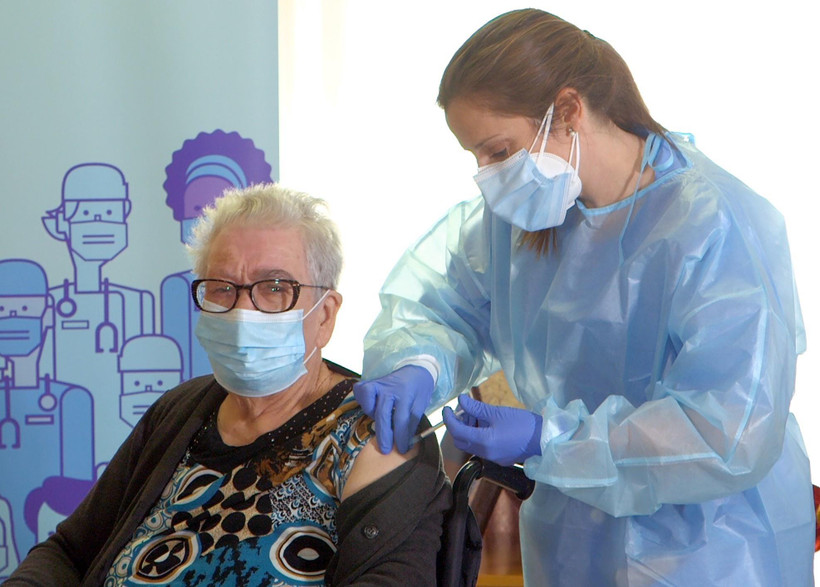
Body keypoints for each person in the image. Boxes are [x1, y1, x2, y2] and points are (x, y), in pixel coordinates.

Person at [353, 8, 815, 585]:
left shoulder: (714, 224)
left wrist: (547, 438)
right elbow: (439, 308)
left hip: (714, 548)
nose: (487, 175)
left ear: (568, 110)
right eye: (476, 157)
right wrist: (416, 365)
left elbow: (730, 430)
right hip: (573, 537)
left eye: (498, 151)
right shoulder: (520, 223)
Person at [8, 184, 450, 586]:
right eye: (222, 288)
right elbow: (69, 551)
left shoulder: (376, 435)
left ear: (326, 314)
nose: (243, 312)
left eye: (275, 287)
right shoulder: (179, 411)